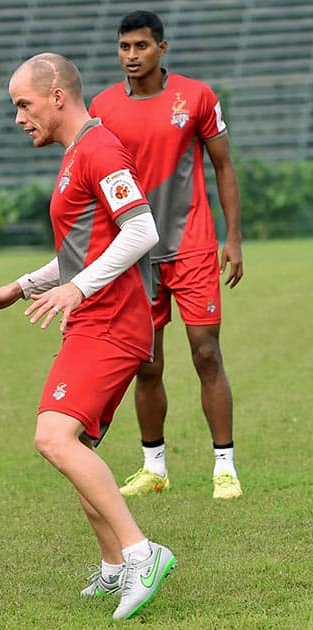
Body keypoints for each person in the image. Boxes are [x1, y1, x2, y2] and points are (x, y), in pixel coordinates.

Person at [0, 53, 175, 621]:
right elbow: (78, 253)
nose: (18, 118)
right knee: (73, 445)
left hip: (110, 322)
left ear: (57, 94)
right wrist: (19, 286)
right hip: (97, 319)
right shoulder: (75, 155)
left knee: (53, 438)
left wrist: (80, 290)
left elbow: (142, 230)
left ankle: (141, 552)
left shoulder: (99, 147)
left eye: (23, 104)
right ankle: (114, 566)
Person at [89, 10, 243, 500]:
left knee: (205, 352)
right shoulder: (103, 107)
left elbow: (223, 165)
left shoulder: (196, 97)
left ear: (162, 48)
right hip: (135, 252)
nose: (131, 56)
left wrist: (233, 237)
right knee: (146, 363)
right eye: (124, 47)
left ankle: (224, 466)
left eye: (140, 46)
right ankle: (154, 465)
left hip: (193, 245)